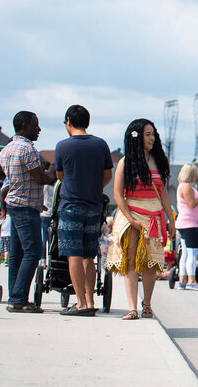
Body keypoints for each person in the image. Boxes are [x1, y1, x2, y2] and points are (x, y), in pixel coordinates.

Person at [107, 118, 176, 321]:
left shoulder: (159, 161)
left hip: (153, 217)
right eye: (148, 134)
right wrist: (130, 219)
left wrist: (171, 220)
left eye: (153, 134)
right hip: (131, 216)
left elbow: (163, 194)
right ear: (136, 137)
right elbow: (118, 195)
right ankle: (132, 308)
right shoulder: (125, 162)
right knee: (130, 263)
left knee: (150, 264)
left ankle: (147, 305)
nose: (152, 138)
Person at [0, 110, 57, 313]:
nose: (39, 129)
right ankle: (18, 299)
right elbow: (41, 179)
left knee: (17, 254)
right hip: (26, 207)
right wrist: (52, 171)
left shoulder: (7, 148)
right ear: (25, 125)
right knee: (33, 253)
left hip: (13, 205)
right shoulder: (28, 150)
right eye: (36, 125)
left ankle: (14, 297)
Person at [53, 104, 114, 315]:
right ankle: (90, 301)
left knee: (74, 254)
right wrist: (94, 187)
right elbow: (107, 175)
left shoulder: (62, 146)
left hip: (71, 205)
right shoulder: (101, 145)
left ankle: (80, 303)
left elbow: (60, 176)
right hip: (94, 205)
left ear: (68, 121)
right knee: (90, 255)